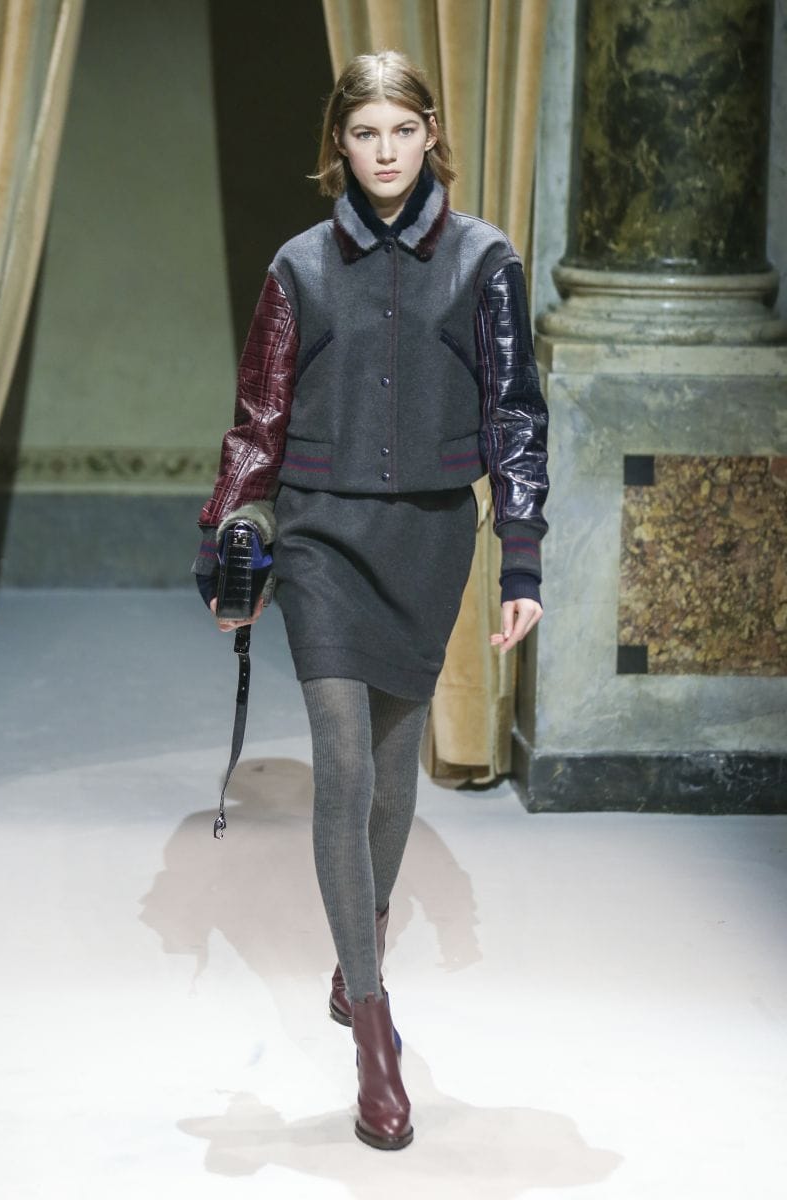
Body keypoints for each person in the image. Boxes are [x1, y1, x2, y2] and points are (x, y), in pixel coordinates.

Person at [193, 50, 549, 1151]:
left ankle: (362, 933)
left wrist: (522, 558)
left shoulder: (484, 260)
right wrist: (224, 546)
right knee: (343, 763)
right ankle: (373, 1024)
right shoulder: (299, 266)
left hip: (429, 541)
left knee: (394, 783)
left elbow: (514, 413)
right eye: (363, 134)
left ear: (429, 132)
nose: (384, 152)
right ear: (336, 146)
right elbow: (259, 417)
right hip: (319, 538)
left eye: (401, 130)